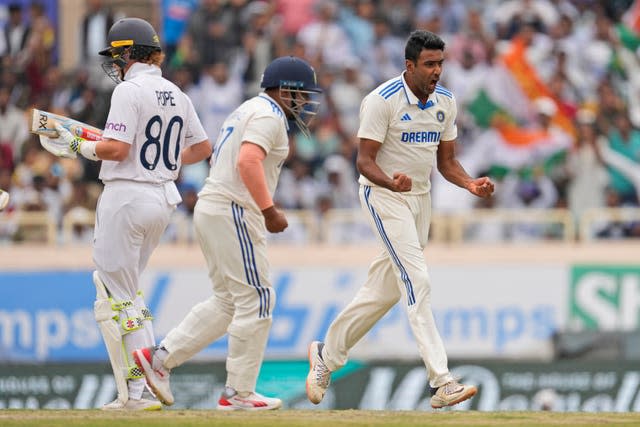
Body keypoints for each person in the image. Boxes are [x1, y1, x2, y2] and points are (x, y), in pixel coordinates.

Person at [305, 30, 494, 409]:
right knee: (417, 280)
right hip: (384, 195)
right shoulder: (382, 100)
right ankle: (442, 381)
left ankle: (326, 356)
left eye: (441, 63)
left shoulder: (445, 101)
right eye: (429, 64)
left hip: (420, 198)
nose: (437, 71)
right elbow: (364, 161)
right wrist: (391, 182)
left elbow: (447, 163)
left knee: (386, 290)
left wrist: (470, 183)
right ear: (409, 66)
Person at [132, 56, 322, 410]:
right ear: (286, 91)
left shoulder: (250, 108)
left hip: (215, 206)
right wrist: (269, 209)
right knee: (259, 299)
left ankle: (159, 359)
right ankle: (239, 392)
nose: (306, 103)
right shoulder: (269, 115)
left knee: (228, 302)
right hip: (234, 208)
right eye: (303, 95)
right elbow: (248, 161)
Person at [51, 17, 211, 410]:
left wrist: (78, 145)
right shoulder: (176, 92)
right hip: (161, 199)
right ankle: (142, 384)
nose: (114, 64)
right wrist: (170, 165)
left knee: (114, 296)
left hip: (126, 196)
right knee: (129, 295)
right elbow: (203, 147)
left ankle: (136, 392)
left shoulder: (129, 90)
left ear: (127, 53)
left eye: (117, 56)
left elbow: (117, 150)